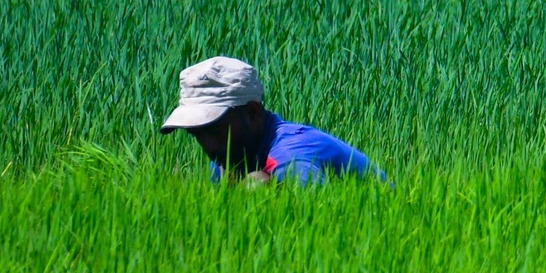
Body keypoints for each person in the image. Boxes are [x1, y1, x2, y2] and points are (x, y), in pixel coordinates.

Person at [160, 56, 382, 185]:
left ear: (253, 113)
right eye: (197, 135)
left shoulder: (292, 157)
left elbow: (315, 227)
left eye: (216, 130)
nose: (208, 147)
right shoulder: (229, 155)